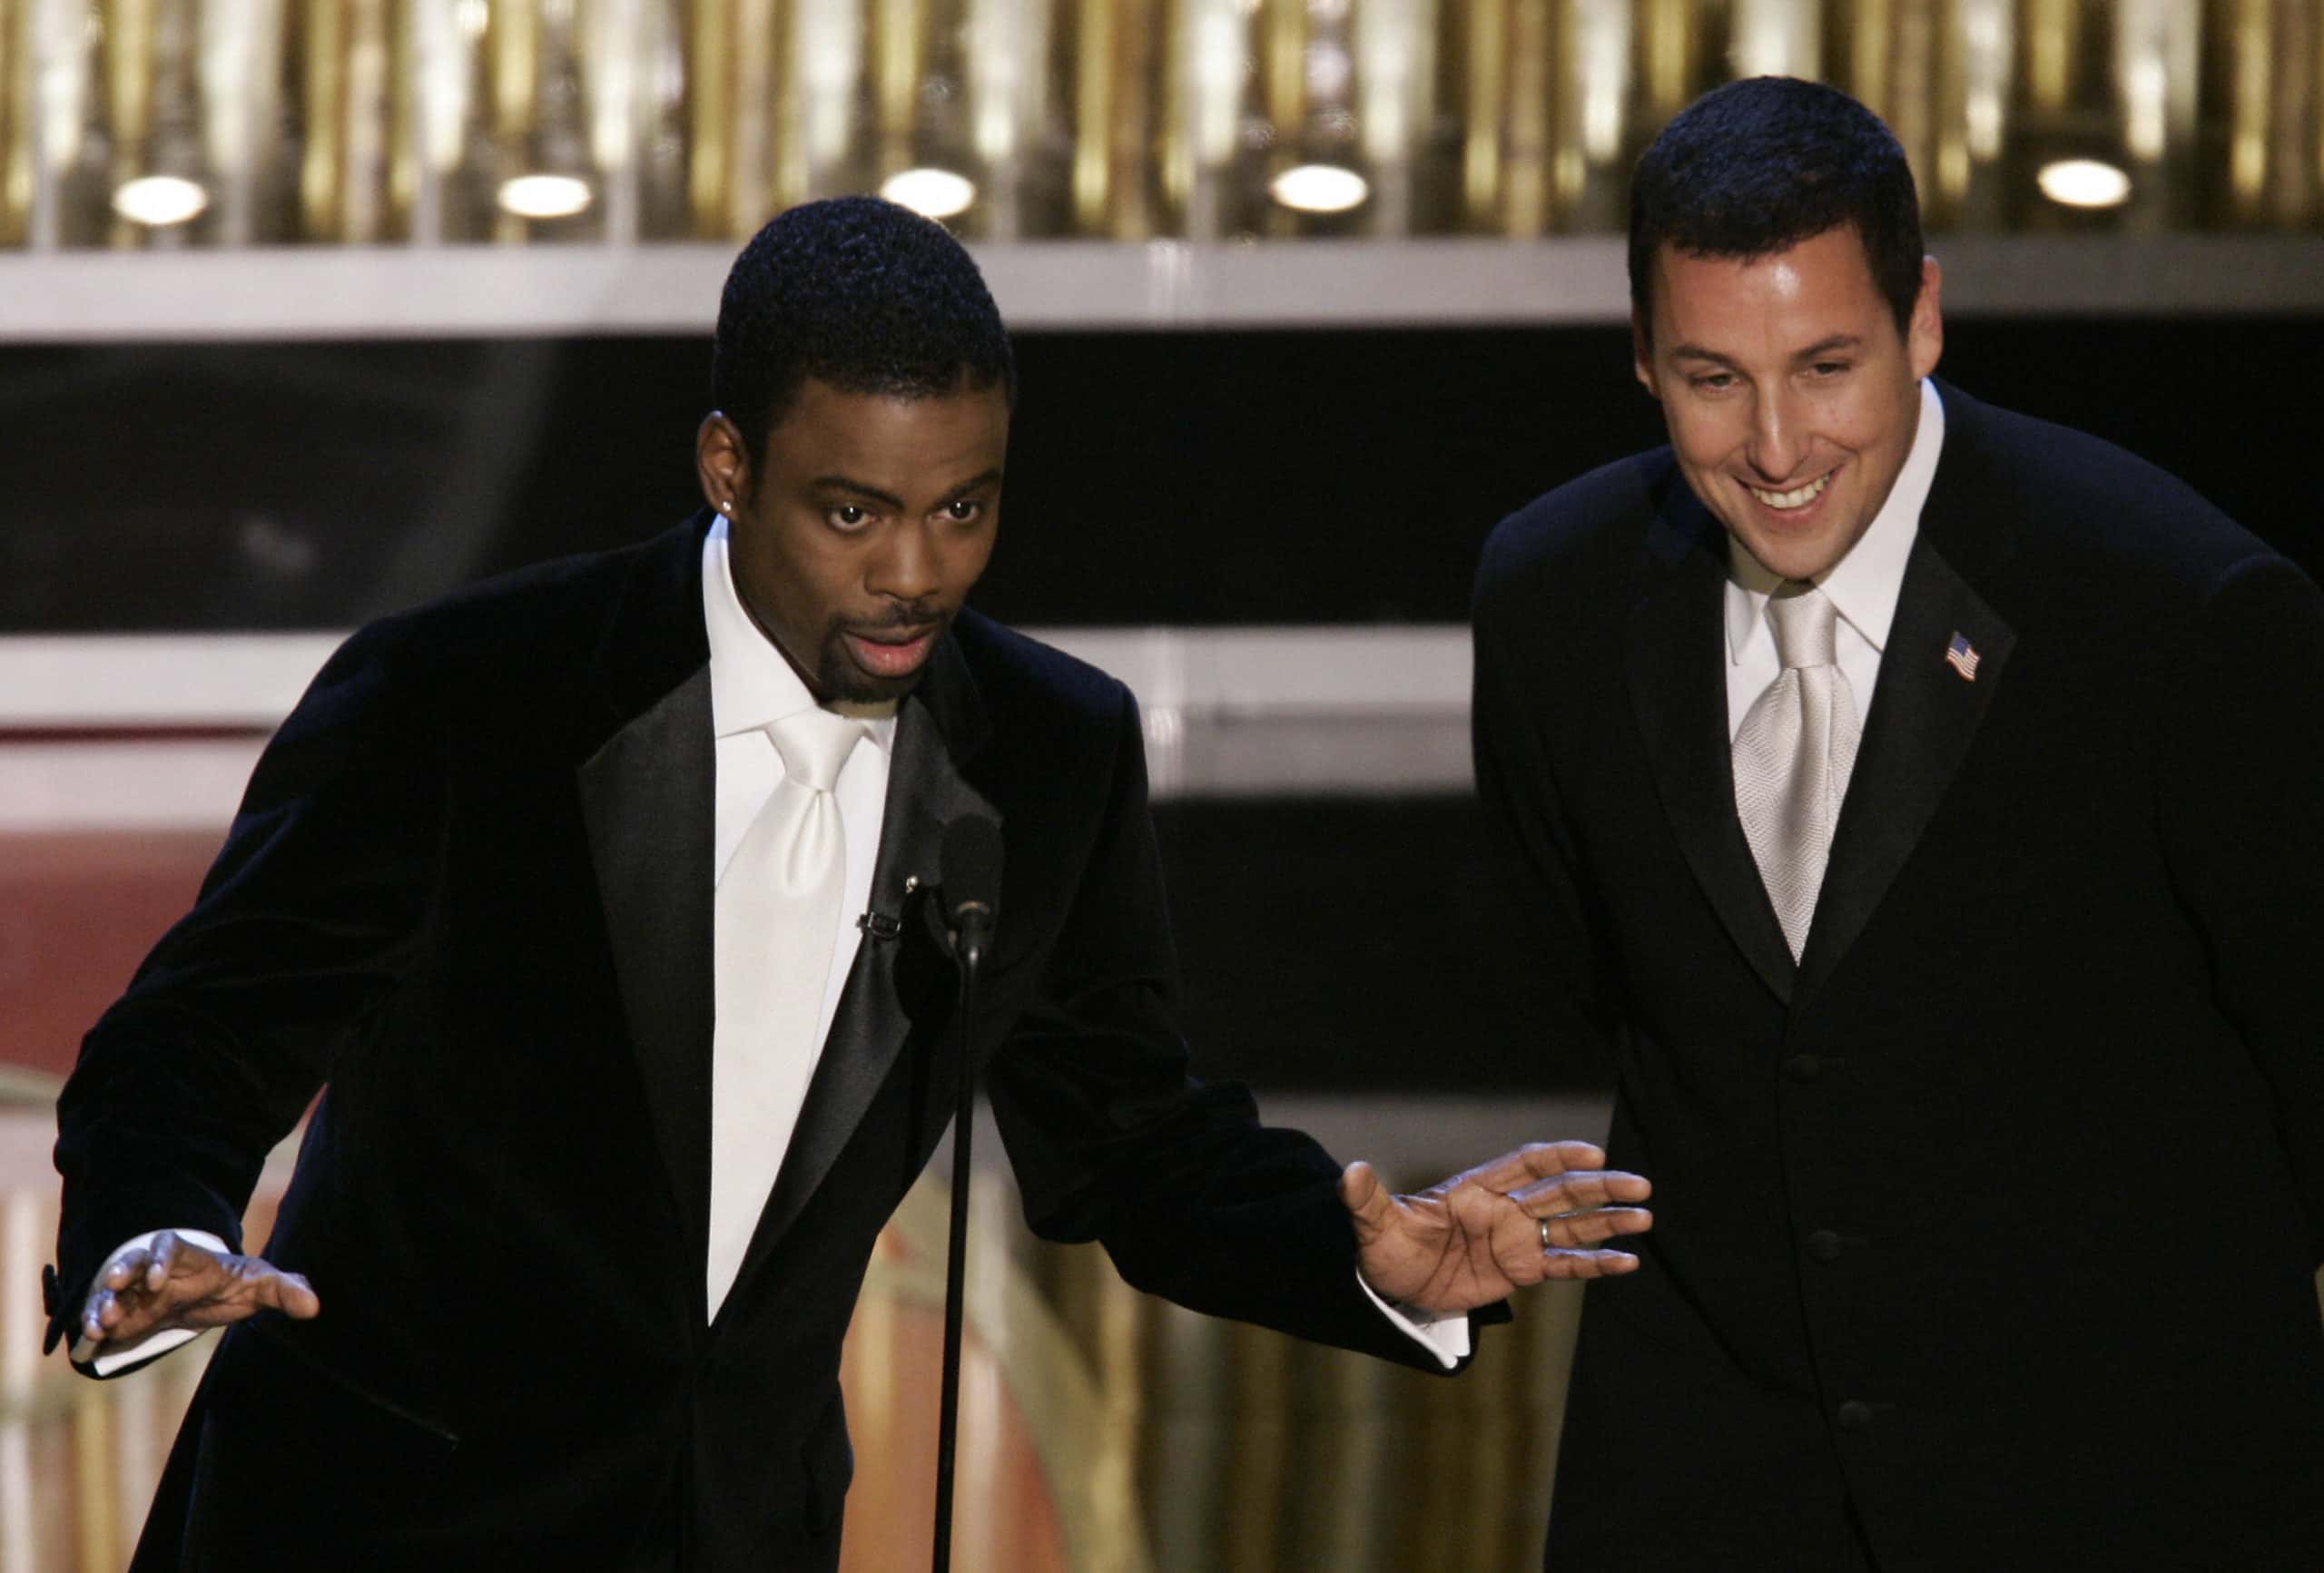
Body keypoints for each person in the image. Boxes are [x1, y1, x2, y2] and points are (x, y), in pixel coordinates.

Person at [48, 196, 1653, 1572]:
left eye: (964, 507)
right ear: (728, 465)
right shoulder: (467, 697)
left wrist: (1357, 1255)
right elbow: (197, 1036)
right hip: (374, 1528)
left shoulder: (1049, 751)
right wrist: (147, 1232)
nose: (915, 574)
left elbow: (1131, 1142)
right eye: (853, 513)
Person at [1472, 76, 2324, 1570]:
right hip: (1708, 1506)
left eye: (1826, 365)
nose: (1776, 444)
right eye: (1713, 377)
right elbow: (1601, 990)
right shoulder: (1554, 597)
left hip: (2115, 1499)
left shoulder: (2175, 610)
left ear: (1922, 317)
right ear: (1644, 357)